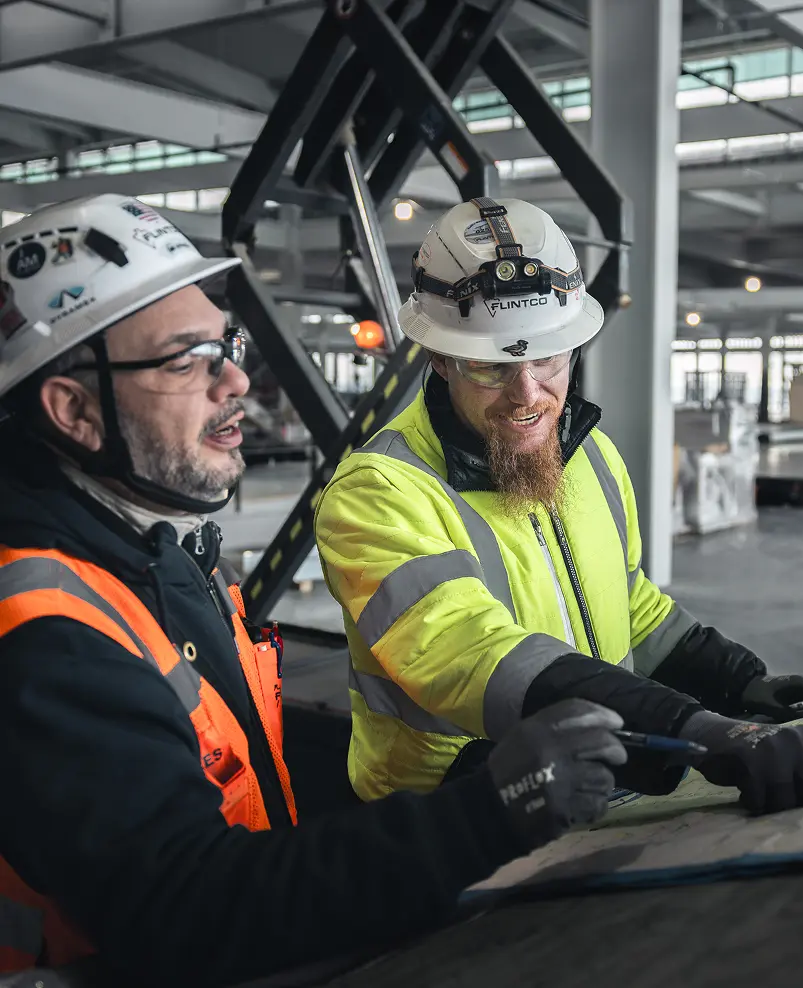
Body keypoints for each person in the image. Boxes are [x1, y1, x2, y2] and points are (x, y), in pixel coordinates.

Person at [0, 194, 631, 985]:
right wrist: (481, 815)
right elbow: (187, 908)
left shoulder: (157, 550)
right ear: (75, 409)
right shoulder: (42, 631)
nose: (235, 378)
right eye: (184, 358)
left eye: (222, 343)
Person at [315, 197, 803, 812]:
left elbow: (629, 604)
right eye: (491, 368)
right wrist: (689, 726)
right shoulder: (378, 493)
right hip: (453, 814)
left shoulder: (589, 455)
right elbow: (471, 654)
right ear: (440, 359)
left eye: (546, 359)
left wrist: (741, 681)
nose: (527, 394)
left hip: (589, 784)